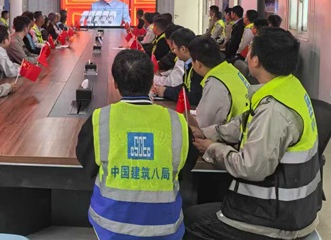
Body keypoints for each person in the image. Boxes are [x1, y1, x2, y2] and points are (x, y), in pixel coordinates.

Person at [186, 28, 321, 239]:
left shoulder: (274, 110)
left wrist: (212, 148)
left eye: (250, 51)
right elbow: (245, 123)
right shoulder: (288, 87)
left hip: (275, 218)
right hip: (291, 207)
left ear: (255, 60)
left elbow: (250, 168)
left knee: (188, 220)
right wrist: (206, 132)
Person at [76, 49, 198, 240]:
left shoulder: (100, 119)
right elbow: (184, 168)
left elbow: (89, 165)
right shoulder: (177, 122)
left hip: (110, 224)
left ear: (115, 84)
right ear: (151, 83)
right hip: (165, 226)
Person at [188, 37, 249, 129]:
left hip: (238, 134)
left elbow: (204, 124)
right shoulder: (229, 69)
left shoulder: (215, 83)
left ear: (198, 64)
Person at [154, 28, 203, 106]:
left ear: (183, 49)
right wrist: (165, 89)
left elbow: (194, 98)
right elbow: (184, 87)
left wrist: (166, 92)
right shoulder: (188, 64)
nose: (174, 52)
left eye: (174, 49)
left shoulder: (198, 67)